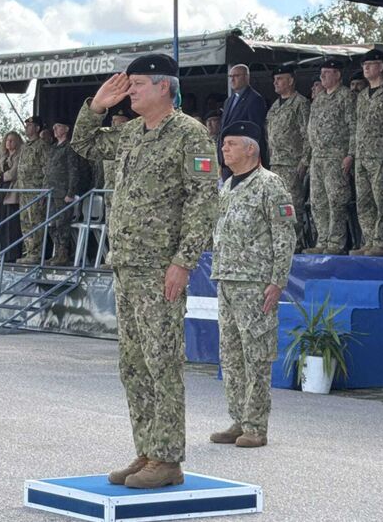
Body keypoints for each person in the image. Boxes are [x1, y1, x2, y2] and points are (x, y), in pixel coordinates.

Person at [71, 54, 217, 489]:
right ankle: (148, 451)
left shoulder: (190, 135)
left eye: (137, 84)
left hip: (160, 269)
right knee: (133, 365)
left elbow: (203, 201)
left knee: (162, 363)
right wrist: (96, 107)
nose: (129, 91)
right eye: (128, 85)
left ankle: (168, 459)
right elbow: (84, 145)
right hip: (127, 266)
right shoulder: (132, 133)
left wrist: (183, 261)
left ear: (163, 87)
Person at [209, 121, 296, 449]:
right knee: (230, 354)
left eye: (230, 144)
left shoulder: (270, 184)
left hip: (255, 282)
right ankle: (238, 419)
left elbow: (284, 234)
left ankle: (256, 426)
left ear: (251, 148)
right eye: (223, 144)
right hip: (227, 279)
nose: (224, 149)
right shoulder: (227, 185)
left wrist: (278, 281)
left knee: (256, 354)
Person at [350, 49, 383, 257]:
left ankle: (381, 242)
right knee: (364, 201)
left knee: (382, 201)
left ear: (381, 67)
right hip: (362, 156)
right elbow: (357, 128)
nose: (366, 69)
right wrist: (353, 154)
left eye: (370, 65)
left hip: (381, 155)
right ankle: (369, 240)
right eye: (364, 66)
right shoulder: (362, 96)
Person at [302, 59, 354, 255]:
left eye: (327, 72)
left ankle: (336, 242)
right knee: (318, 201)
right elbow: (310, 130)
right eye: (321, 73)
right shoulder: (319, 99)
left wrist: (351, 154)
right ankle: (322, 239)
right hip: (318, 158)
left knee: (336, 200)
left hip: (336, 156)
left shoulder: (346, 96)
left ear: (338, 75)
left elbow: (353, 126)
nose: (322, 76)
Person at [265, 64, 310, 251]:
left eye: (280, 78)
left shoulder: (300, 103)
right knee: (278, 204)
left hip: (293, 163)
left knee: (293, 204)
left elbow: (308, 134)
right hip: (276, 163)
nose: (275, 82)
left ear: (290, 81)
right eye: (274, 79)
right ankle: (281, 241)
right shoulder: (275, 106)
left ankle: (296, 241)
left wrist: (304, 160)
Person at [219, 64, 268, 179]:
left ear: (246, 77)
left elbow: (255, 132)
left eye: (236, 75)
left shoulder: (254, 99)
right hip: (228, 160)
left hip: (244, 160)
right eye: (230, 76)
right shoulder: (229, 101)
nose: (232, 79)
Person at [45, 122, 82, 266]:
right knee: (52, 225)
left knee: (62, 224)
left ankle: (63, 254)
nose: (54, 129)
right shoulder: (54, 148)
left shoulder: (69, 147)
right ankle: (57, 253)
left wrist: (71, 192)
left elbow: (74, 171)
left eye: (58, 127)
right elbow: (48, 171)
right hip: (52, 193)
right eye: (53, 127)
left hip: (63, 193)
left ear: (66, 128)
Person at [17, 116, 50, 264]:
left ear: (37, 128)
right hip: (24, 191)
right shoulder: (24, 146)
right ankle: (28, 252)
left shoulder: (42, 146)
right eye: (26, 125)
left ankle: (36, 254)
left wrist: (44, 189)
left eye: (30, 125)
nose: (27, 128)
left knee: (35, 222)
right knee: (25, 222)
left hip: (36, 191)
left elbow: (47, 169)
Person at [0, 131, 23, 262]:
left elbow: (13, 173)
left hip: (13, 190)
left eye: (12, 140)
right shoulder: (4, 157)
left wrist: (3, 177)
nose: (9, 142)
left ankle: (13, 254)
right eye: (7, 140)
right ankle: (5, 252)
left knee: (12, 223)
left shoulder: (19, 156)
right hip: (3, 189)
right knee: (3, 221)